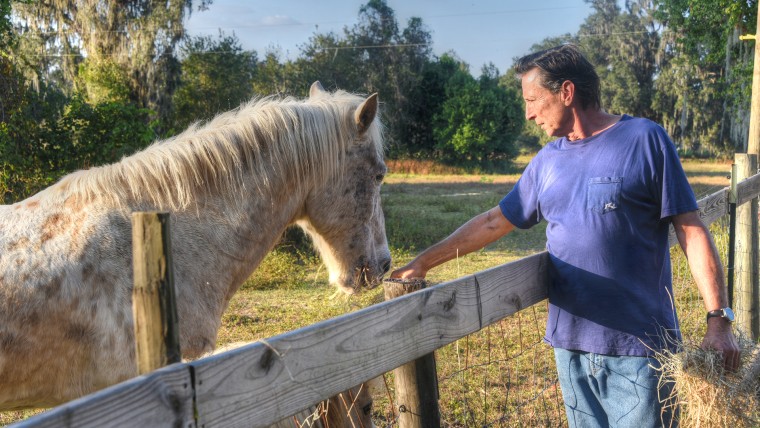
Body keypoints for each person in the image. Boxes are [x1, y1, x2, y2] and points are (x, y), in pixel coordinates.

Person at [390, 44, 740, 427]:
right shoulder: (546, 162)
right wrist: (422, 262)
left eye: (533, 100)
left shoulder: (644, 140)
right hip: (570, 350)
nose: (529, 113)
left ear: (567, 92)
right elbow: (494, 222)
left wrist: (718, 322)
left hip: (640, 351)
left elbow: (691, 230)